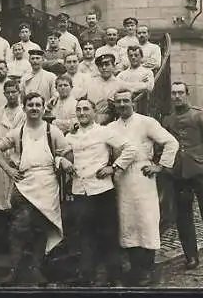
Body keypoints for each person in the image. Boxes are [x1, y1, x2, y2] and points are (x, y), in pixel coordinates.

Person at [0, 92, 74, 286]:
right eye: (31, 105)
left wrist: (62, 160)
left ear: (43, 108)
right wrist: (9, 170)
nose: (35, 108)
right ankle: (14, 272)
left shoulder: (51, 131)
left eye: (38, 105)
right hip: (24, 185)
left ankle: (36, 270)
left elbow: (68, 153)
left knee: (40, 230)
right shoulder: (17, 132)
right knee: (17, 229)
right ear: (24, 107)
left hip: (47, 186)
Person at [108, 88, 179, 286]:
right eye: (118, 101)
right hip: (122, 178)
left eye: (126, 101)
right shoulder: (111, 127)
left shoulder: (146, 122)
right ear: (114, 104)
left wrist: (160, 166)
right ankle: (134, 268)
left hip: (142, 175)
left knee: (145, 221)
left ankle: (147, 269)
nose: (122, 105)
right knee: (127, 223)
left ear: (133, 102)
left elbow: (171, 142)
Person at [65, 97, 137, 286]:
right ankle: (86, 276)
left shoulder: (104, 132)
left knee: (108, 235)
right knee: (85, 235)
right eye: (79, 110)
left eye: (86, 109)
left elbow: (130, 148)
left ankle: (115, 277)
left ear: (94, 111)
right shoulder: (70, 136)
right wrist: (62, 162)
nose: (82, 113)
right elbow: (57, 154)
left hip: (102, 191)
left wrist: (114, 167)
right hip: (80, 191)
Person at [162, 81, 203, 272]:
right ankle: (191, 256)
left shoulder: (199, 115)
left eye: (180, 93)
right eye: (174, 93)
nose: (177, 97)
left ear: (187, 94)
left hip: (201, 172)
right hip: (179, 174)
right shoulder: (168, 121)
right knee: (183, 216)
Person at [0, 80, 26, 254]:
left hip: (18, 161)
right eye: (8, 92)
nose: (11, 95)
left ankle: (16, 243)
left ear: (19, 92)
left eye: (14, 91)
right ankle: (0, 242)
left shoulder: (24, 113)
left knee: (15, 200)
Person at [84, 54, 129, 125]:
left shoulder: (120, 84)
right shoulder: (91, 82)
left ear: (113, 66)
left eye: (107, 65)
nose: (104, 68)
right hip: (92, 120)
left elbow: (137, 88)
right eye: (101, 65)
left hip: (113, 121)